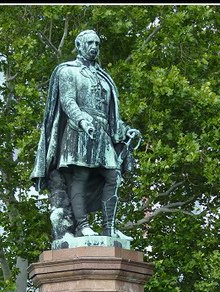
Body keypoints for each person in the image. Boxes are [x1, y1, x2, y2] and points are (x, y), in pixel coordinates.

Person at [31, 29, 140, 239]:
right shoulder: (67, 71)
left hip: (102, 132)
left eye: (97, 44)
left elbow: (111, 114)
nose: (94, 47)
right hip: (78, 130)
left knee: (113, 176)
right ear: (79, 45)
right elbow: (68, 101)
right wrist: (82, 120)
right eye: (90, 43)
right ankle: (82, 225)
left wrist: (125, 130)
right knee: (80, 175)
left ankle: (109, 228)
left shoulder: (104, 77)